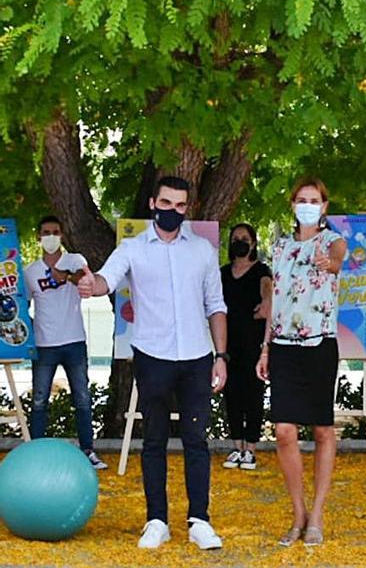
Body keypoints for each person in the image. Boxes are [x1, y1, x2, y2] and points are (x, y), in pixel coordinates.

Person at [76, 176, 228, 550]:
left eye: (180, 205)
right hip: (152, 356)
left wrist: (221, 356)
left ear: (187, 208)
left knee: (196, 440)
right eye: (166, 203)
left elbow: (216, 306)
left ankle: (200, 520)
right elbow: (104, 281)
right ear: (152, 203)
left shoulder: (203, 251)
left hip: (197, 356)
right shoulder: (132, 248)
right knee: (155, 440)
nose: (172, 211)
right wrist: (89, 284)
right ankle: (156, 519)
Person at [256, 177, 347, 547]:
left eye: (315, 200)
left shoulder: (331, 241)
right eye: (302, 199)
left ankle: (318, 516)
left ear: (324, 206)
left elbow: (339, 258)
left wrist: (332, 263)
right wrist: (265, 349)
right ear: (292, 204)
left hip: (320, 345)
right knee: (284, 431)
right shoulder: (278, 247)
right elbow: (275, 300)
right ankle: (298, 514)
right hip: (283, 346)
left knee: (323, 430)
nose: (308, 204)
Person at [23, 215, 106, 469]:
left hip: (74, 342)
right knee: (39, 400)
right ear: (38, 237)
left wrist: (66, 277)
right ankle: (35, 452)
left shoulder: (74, 260)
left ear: (61, 235)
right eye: (46, 232)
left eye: (55, 232)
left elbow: (86, 279)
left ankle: (88, 451)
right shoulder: (29, 272)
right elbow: (23, 306)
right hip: (44, 345)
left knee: (82, 398)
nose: (51, 236)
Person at [220, 223, 272, 472]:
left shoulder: (262, 270)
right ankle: (236, 446)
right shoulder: (222, 273)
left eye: (244, 238)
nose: (239, 241)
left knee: (253, 395)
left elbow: (267, 289)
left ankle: (251, 448)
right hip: (227, 344)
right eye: (235, 238)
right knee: (231, 395)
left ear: (253, 243)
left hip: (254, 344)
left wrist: (266, 302)